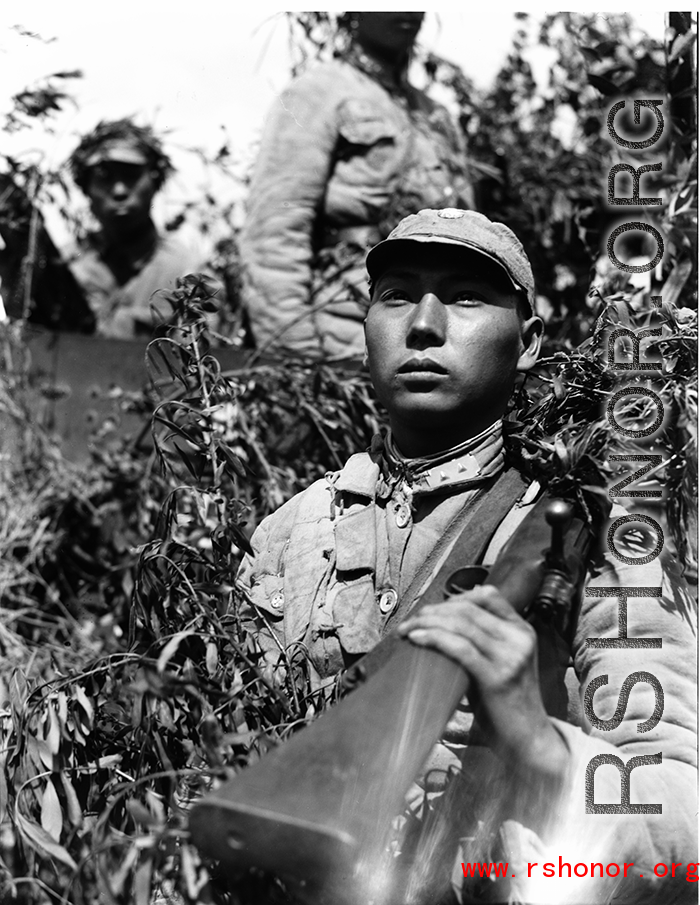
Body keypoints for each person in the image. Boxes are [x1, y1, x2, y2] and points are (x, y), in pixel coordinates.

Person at [237, 208, 697, 903]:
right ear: (366, 329)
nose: (424, 325)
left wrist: (537, 738)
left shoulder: (593, 531)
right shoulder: (293, 530)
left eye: (465, 297)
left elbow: (684, 824)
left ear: (529, 342)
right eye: (397, 296)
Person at [239, 12, 474, 359]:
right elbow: (274, 233)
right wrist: (296, 354)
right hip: (343, 337)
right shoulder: (316, 93)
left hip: (436, 340)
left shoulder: (436, 117)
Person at [65, 119, 219, 339]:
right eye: (104, 177)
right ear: (85, 187)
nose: (119, 190)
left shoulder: (187, 271)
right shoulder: (65, 267)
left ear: (155, 182)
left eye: (131, 176)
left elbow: (202, 351)